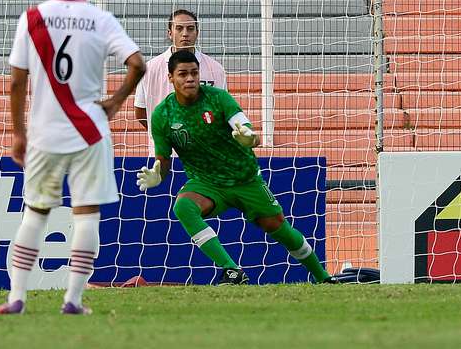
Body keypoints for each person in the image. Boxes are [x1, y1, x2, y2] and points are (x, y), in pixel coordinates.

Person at [0, 0, 145, 315]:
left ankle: (16, 297)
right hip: (89, 132)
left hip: (45, 132)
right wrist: (114, 102)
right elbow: (138, 64)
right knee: (86, 215)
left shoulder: (32, 19)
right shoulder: (101, 19)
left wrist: (18, 133)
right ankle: (73, 300)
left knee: (35, 213)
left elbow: (17, 82)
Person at [136, 50, 335, 285]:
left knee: (278, 227)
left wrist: (249, 138)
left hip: (245, 178)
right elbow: (163, 160)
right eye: (183, 74)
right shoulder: (162, 115)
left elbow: (246, 128)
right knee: (183, 206)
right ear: (171, 78)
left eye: (194, 73)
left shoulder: (218, 98)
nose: (190, 79)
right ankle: (231, 269)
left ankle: (323, 277)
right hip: (206, 183)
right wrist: (158, 175)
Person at [134, 9, 226, 144]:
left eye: (190, 29)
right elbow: (141, 112)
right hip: (164, 153)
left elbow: (222, 111)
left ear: (197, 33)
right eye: (179, 28)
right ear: (170, 33)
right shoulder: (150, 69)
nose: (185, 34)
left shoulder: (215, 69)